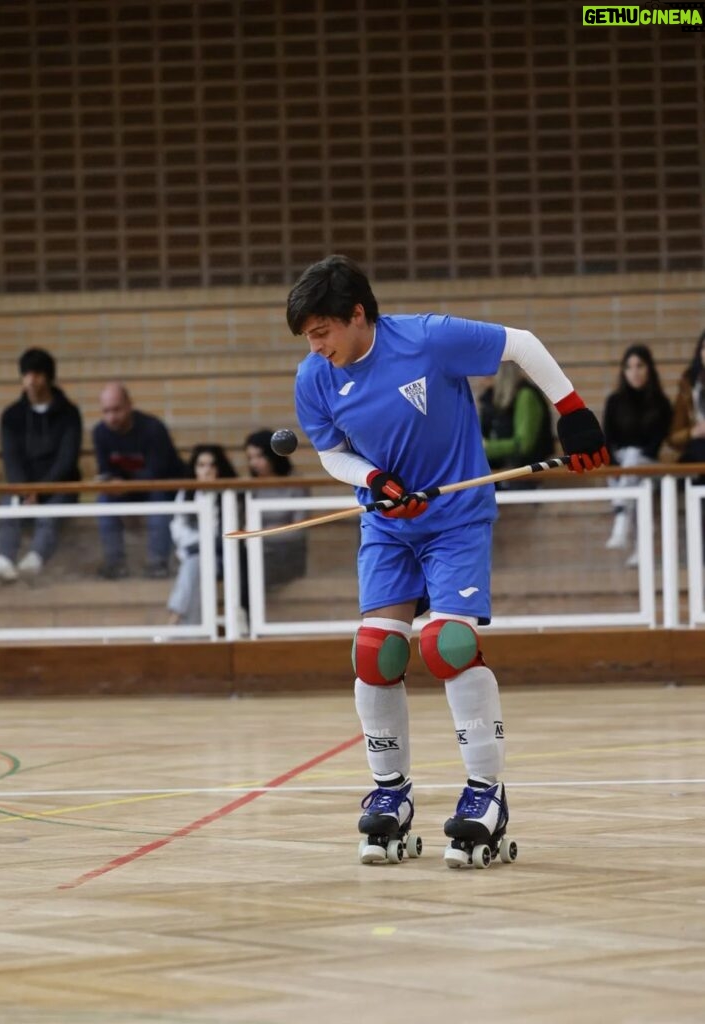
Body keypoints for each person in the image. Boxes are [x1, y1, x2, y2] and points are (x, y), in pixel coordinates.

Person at [286, 255, 608, 867]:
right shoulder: (315, 377)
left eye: (322, 331)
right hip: (388, 526)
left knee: (444, 647)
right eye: (308, 336)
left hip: (455, 521)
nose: (315, 346)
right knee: (375, 652)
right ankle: (391, 793)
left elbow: (522, 343)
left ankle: (486, 795)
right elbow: (332, 453)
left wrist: (574, 413)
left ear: (357, 314)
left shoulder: (427, 339)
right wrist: (373, 478)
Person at [0, 348, 82, 582]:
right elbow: (11, 458)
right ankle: (2, 560)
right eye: (26, 374)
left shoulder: (69, 413)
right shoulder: (11, 415)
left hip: (60, 486)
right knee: (9, 506)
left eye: (37, 374)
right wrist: (24, 489)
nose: (31, 380)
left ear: (48, 377)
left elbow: (67, 459)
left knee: (49, 514)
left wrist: (42, 489)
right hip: (23, 488)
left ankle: (34, 561)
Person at [92, 382, 185, 579]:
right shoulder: (100, 432)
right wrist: (109, 482)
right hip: (126, 490)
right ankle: (115, 563)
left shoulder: (153, 428)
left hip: (162, 489)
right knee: (103, 499)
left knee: (159, 498)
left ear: (129, 405)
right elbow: (104, 470)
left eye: (116, 409)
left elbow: (157, 471)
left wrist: (124, 485)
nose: (112, 417)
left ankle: (157, 563)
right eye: (106, 411)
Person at [602, 344, 672, 559]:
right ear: (623, 371)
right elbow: (607, 440)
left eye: (640, 366)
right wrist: (616, 467)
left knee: (632, 458)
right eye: (629, 367)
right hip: (623, 467)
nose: (635, 372)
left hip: (649, 464)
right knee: (633, 477)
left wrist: (626, 464)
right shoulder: (614, 402)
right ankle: (641, 548)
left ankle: (621, 518)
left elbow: (654, 445)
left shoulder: (661, 403)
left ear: (649, 368)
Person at [240, 428, 308, 614]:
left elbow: (298, 530)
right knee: (240, 561)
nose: (254, 463)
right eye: (250, 457)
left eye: (259, 456)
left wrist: (260, 534)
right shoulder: (248, 485)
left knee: (247, 567)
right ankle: (243, 613)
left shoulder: (295, 484)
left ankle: (244, 615)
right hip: (252, 552)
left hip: (284, 554)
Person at [167, 444, 237, 625]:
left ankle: (175, 618)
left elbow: (225, 534)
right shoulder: (186, 494)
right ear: (195, 468)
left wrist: (202, 545)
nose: (207, 470)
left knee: (195, 564)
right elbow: (178, 530)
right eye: (201, 465)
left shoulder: (230, 495)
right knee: (195, 566)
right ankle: (189, 631)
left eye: (212, 465)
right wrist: (200, 545)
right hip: (190, 555)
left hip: (222, 557)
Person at [479, 362, 553, 479]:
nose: (481, 381)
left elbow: (523, 444)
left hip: (524, 473)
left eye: (486, 375)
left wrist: (486, 448)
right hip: (501, 471)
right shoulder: (491, 400)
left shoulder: (525, 395)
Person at [668, 329, 705, 481]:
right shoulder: (688, 387)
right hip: (697, 450)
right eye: (704, 347)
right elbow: (673, 438)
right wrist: (693, 432)